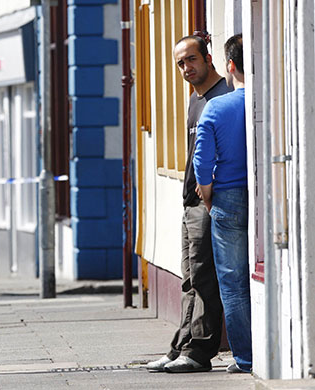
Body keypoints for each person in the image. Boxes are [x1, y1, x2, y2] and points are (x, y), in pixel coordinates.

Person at [145, 33, 232, 373]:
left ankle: (199, 352)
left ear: (208, 58)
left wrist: (208, 193)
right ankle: (180, 346)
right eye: (180, 63)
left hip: (209, 202)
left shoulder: (220, 97)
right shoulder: (196, 98)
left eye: (191, 59)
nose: (185, 67)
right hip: (190, 202)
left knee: (203, 275)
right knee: (189, 277)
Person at [193, 33, 251, 374]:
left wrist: (208, 192)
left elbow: (202, 160)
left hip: (227, 197)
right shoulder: (271, 101)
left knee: (232, 280)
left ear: (229, 65)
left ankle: (246, 357)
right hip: (266, 195)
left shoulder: (217, 106)